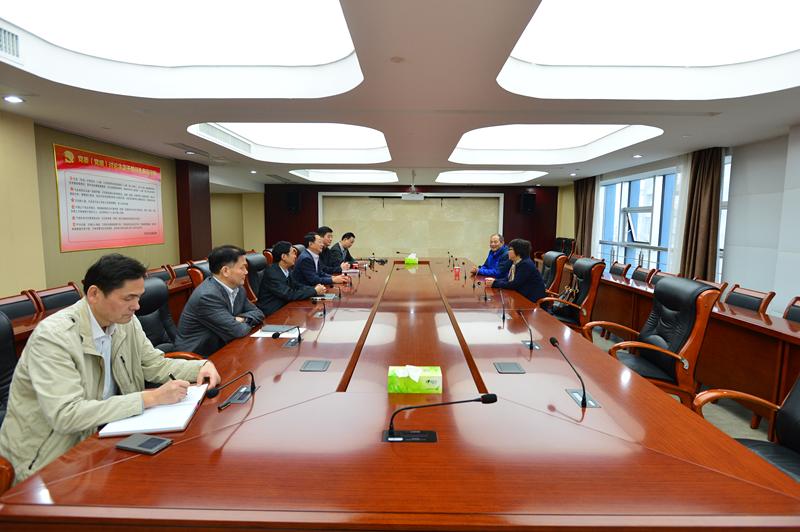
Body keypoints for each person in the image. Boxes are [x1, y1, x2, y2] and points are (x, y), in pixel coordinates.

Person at [0, 254, 220, 485]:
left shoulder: (125, 323)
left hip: (107, 435)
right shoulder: (54, 337)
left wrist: (201, 366)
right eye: (128, 298)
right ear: (94, 294)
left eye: (139, 297)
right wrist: (150, 398)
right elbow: (67, 415)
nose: (137, 306)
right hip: (51, 461)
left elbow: (154, 364)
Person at [174, 245, 264, 357]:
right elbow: (238, 331)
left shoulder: (238, 289)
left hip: (225, 347)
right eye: (242, 268)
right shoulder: (207, 296)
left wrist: (242, 319)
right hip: (199, 357)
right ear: (225, 271)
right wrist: (238, 322)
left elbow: (259, 313)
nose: (246, 272)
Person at [257, 241, 325, 316]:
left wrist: (314, 288)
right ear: (284, 257)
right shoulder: (272, 273)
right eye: (293, 253)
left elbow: (297, 285)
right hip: (273, 313)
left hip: (285, 308)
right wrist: (314, 291)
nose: (295, 256)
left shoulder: (287, 269)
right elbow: (289, 294)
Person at [485, 238, 546, 303]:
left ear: (518, 251)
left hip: (531, 301)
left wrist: (494, 283)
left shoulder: (525, 264)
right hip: (521, 296)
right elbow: (509, 279)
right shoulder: (516, 262)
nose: (508, 252)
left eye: (510, 249)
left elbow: (514, 284)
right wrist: (494, 281)